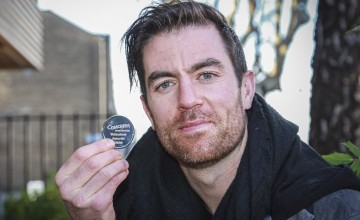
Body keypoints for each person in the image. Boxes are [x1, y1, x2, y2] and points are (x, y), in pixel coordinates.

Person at [55, 1, 360, 219]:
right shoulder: (119, 204)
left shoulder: (334, 207)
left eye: (207, 75)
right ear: (148, 111)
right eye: (164, 84)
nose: (188, 99)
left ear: (246, 89)